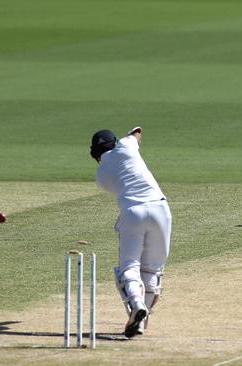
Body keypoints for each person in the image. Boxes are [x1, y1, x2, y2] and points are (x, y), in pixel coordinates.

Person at [90, 126, 172, 338]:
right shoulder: (126, 145)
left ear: (95, 154)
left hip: (132, 212)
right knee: (152, 270)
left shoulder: (101, 176)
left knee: (129, 267)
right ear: (114, 142)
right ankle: (141, 322)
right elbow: (138, 131)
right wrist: (130, 136)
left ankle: (136, 306)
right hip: (161, 210)